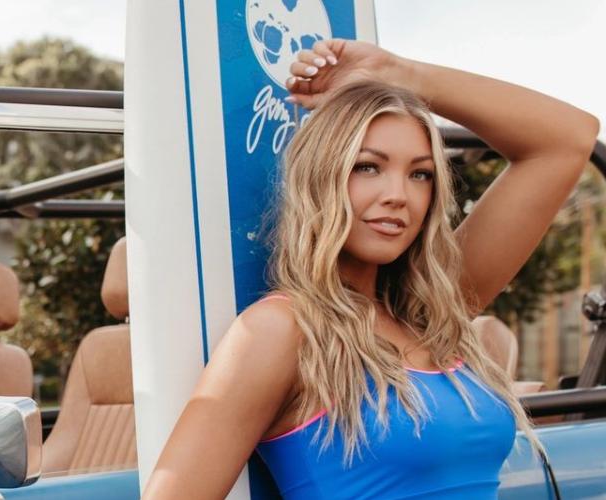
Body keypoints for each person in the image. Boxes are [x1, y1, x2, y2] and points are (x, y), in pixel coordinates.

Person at [142, 39, 599, 499]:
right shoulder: (280, 331)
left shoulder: (433, 312)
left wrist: (400, 73)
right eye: (367, 167)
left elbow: (569, 139)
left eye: (419, 174)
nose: (398, 195)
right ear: (320, 179)